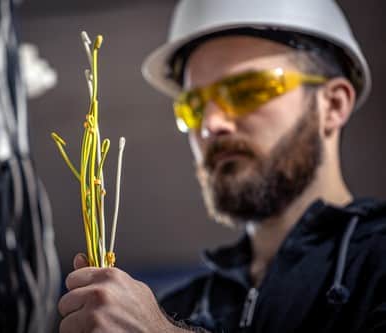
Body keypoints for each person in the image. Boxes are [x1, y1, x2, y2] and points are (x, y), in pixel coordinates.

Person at [57, 0, 386, 332]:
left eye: (246, 91)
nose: (211, 123)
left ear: (333, 105)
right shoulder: (180, 307)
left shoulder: (376, 264)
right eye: (193, 106)